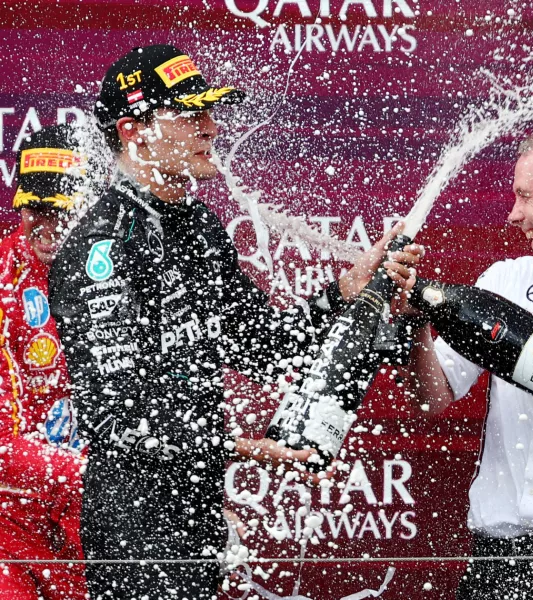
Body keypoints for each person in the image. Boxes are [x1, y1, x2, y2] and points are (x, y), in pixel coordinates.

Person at [48, 44, 414, 599]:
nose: (210, 127)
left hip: (198, 513)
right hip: (134, 522)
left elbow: (263, 348)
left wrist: (346, 291)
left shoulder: (199, 225)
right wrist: (245, 447)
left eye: (210, 111)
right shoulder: (103, 242)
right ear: (134, 130)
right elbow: (120, 414)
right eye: (190, 113)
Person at [402, 127, 533, 599]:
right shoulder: (503, 281)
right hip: (497, 557)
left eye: (525, 196)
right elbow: (432, 400)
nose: (513, 215)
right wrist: (414, 325)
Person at [0, 124, 87, 599]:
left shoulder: (121, 275)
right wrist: (94, 477)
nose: (51, 224)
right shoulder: (1, 279)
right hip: (11, 526)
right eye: (39, 208)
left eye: (66, 210)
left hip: (92, 527)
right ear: (21, 203)